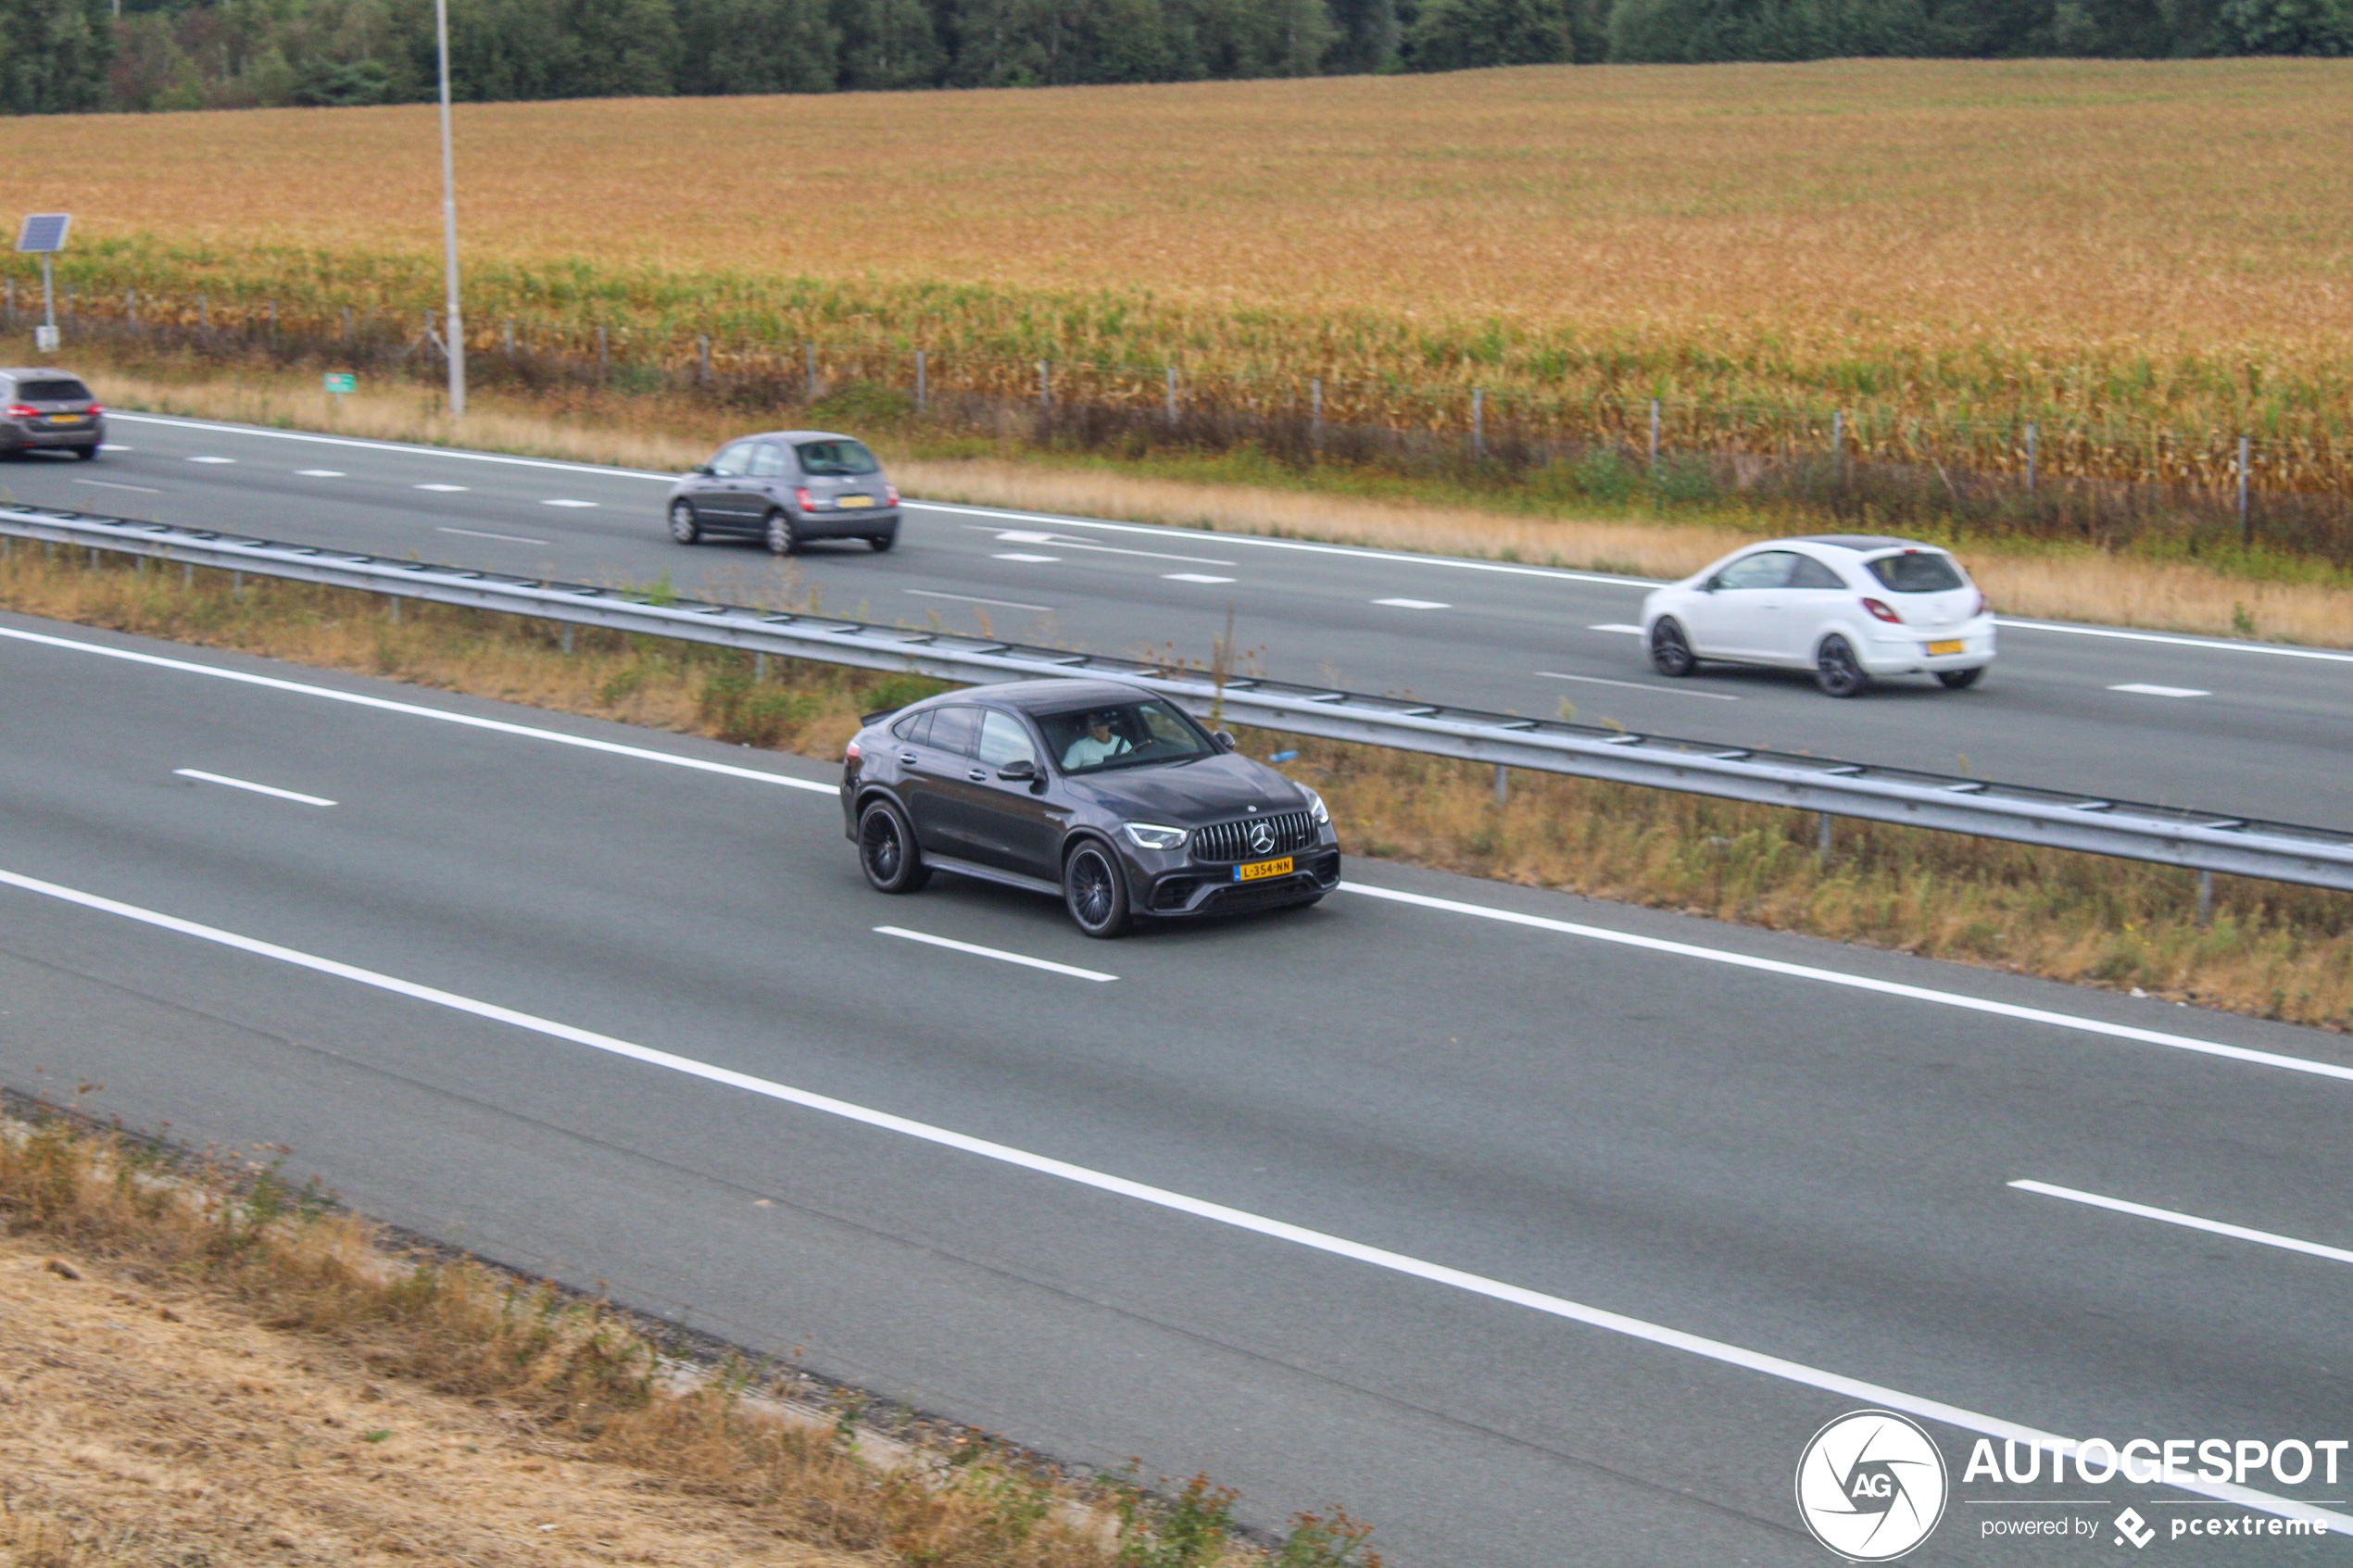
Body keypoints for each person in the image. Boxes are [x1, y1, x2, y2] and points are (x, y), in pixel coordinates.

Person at [1062, 710, 1132, 769]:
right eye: (1089, 723)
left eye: (1096, 723)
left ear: (1107, 724)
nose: (1092, 728)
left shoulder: (1123, 742)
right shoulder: (1079, 747)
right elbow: (1066, 771)